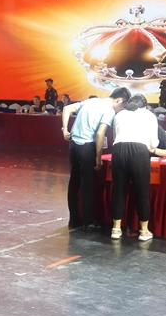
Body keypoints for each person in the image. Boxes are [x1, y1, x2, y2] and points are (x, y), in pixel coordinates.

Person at [62, 87, 131, 230]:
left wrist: (65, 130)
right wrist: (98, 158)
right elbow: (100, 134)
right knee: (88, 185)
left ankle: (74, 219)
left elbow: (67, 109)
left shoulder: (91, 101)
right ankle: (88, 221)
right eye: (123, 106)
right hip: (87, 147)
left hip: (73, 145)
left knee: (74, 182)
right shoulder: (109, 110)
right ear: (119, 100)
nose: (122, 109)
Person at [110, 94, 159, 245]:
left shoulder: (119, 114)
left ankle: (116, 229)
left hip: (118, 150)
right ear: (145, 105)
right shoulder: (149, 115)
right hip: (139, 151)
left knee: (118, 190)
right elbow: (154, 143)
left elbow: (115, 137)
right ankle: (144, 231)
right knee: (142, 191)